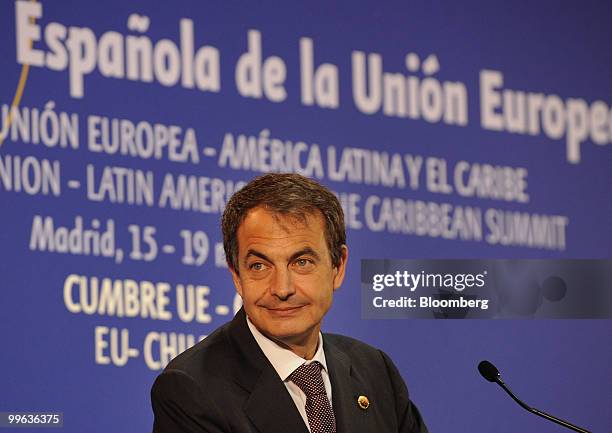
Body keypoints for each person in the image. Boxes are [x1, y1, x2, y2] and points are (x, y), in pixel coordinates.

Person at [151, 173, 427, 433]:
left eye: (301, 262)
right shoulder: (191, 389)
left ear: (338, 266)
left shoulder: (375, 371)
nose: (281, 288)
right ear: (236, 275)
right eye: (259, 266)